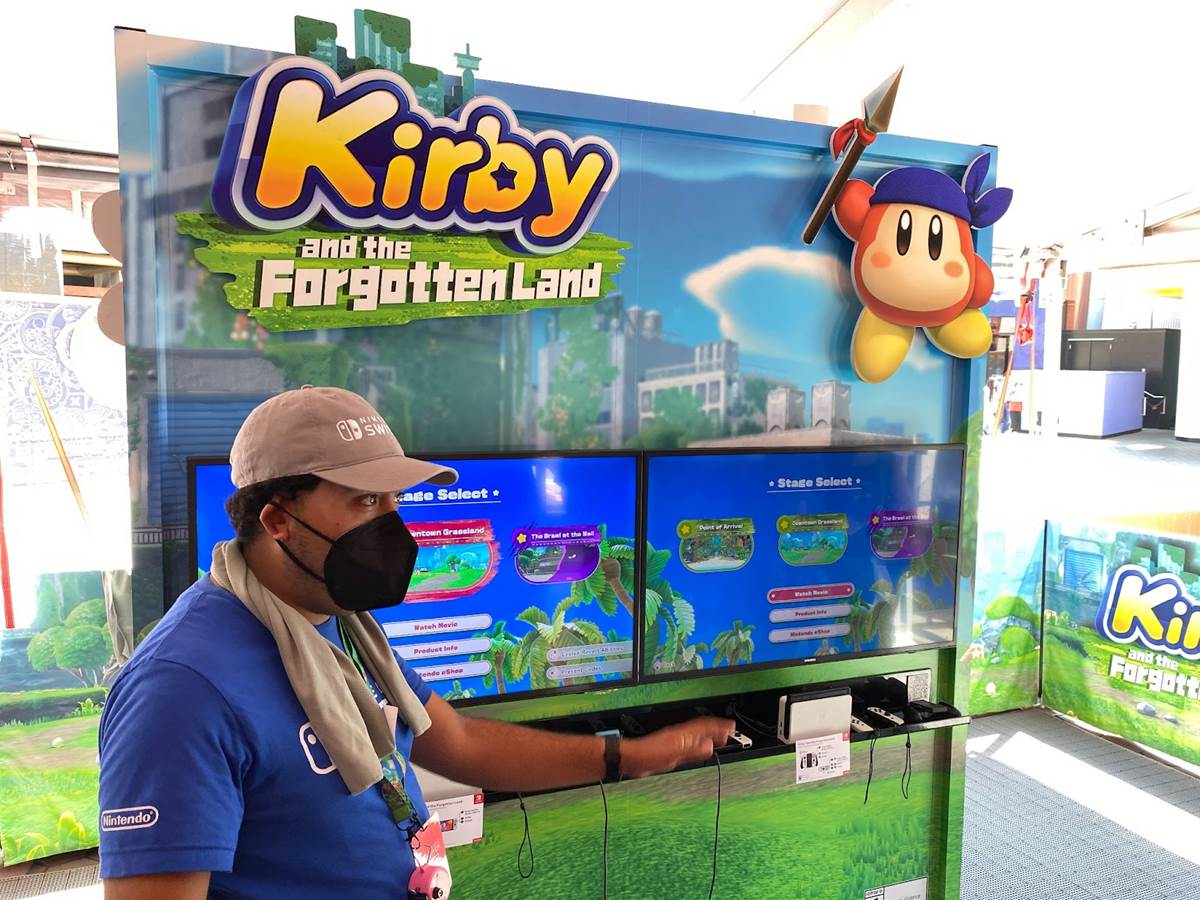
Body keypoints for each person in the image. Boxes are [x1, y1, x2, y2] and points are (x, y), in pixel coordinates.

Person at [98, 386, 732, 899]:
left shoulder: (338, 621)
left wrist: (627, 757)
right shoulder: (182, 688)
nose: (395, 527)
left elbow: (458, 742)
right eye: (365, 501)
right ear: (277, 520)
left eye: (394, 501)